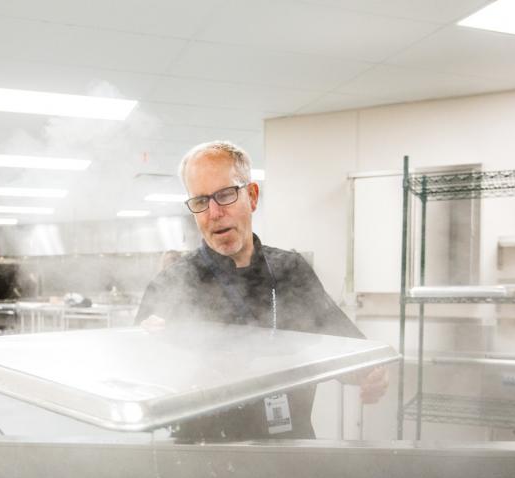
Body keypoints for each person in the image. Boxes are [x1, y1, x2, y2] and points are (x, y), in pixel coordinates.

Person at [136, 141, 387, 441]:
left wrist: (369, 374)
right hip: (201, 455)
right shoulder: (172, 285)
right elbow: (140, 386)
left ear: (252, 197)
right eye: (201, 201)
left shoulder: (290, 271)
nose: (214, 212)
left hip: (287, 449)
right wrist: (151, 352)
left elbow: (345, 348)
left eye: (226, 194)